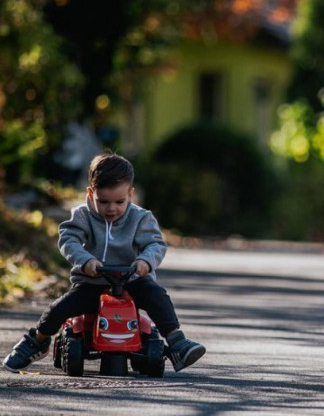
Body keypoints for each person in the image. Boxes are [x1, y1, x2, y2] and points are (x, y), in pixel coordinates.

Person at [3, 152, 206, 374]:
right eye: (103, 201)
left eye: (120, 201)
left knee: (157, 295)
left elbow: (155, 244)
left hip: (132, 281)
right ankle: (37, 341)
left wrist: (145, 262)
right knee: (58, 309)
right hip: (92, 282)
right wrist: (85, 260)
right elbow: (68, 240)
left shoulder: (141, 218)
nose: (111, 208)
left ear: (131, 194)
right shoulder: (82, 215)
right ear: (91, 194)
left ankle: (176, 341)